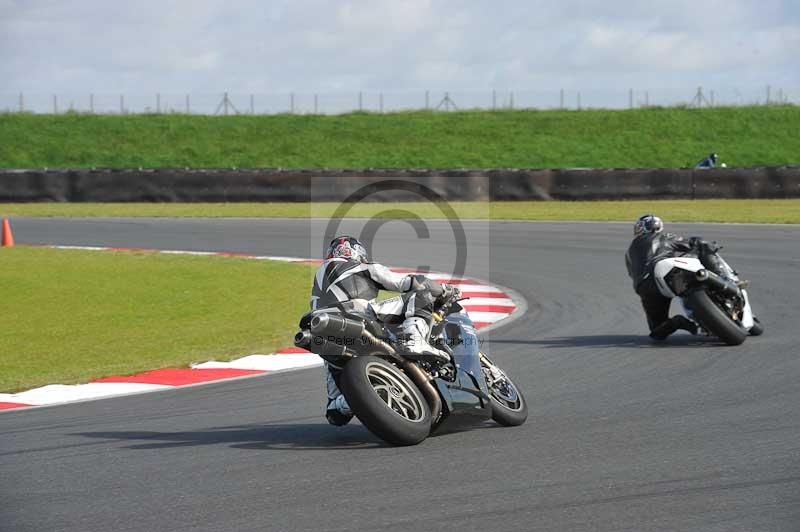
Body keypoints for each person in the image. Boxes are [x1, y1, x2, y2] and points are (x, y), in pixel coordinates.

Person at [311, 235, 453, 426]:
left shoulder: (320, 277)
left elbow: (336, 420)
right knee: (422, 295)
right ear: (357, 252)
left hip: (323, 334)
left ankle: (348, 401)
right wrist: (444, 290)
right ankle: (414, 340)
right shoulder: (363, 266)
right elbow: (409, 283)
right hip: (359, 318)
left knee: (335, 411)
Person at [625, 214, 731, 341]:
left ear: (640, 228)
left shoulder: (628, 253)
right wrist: (706, 244)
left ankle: (678, 322)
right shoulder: (664, 237)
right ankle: (724, 279)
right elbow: (691, 243)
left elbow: (632, 274)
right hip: (665, 271)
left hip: (645, 288)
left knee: (657, 331)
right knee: (703, 246)